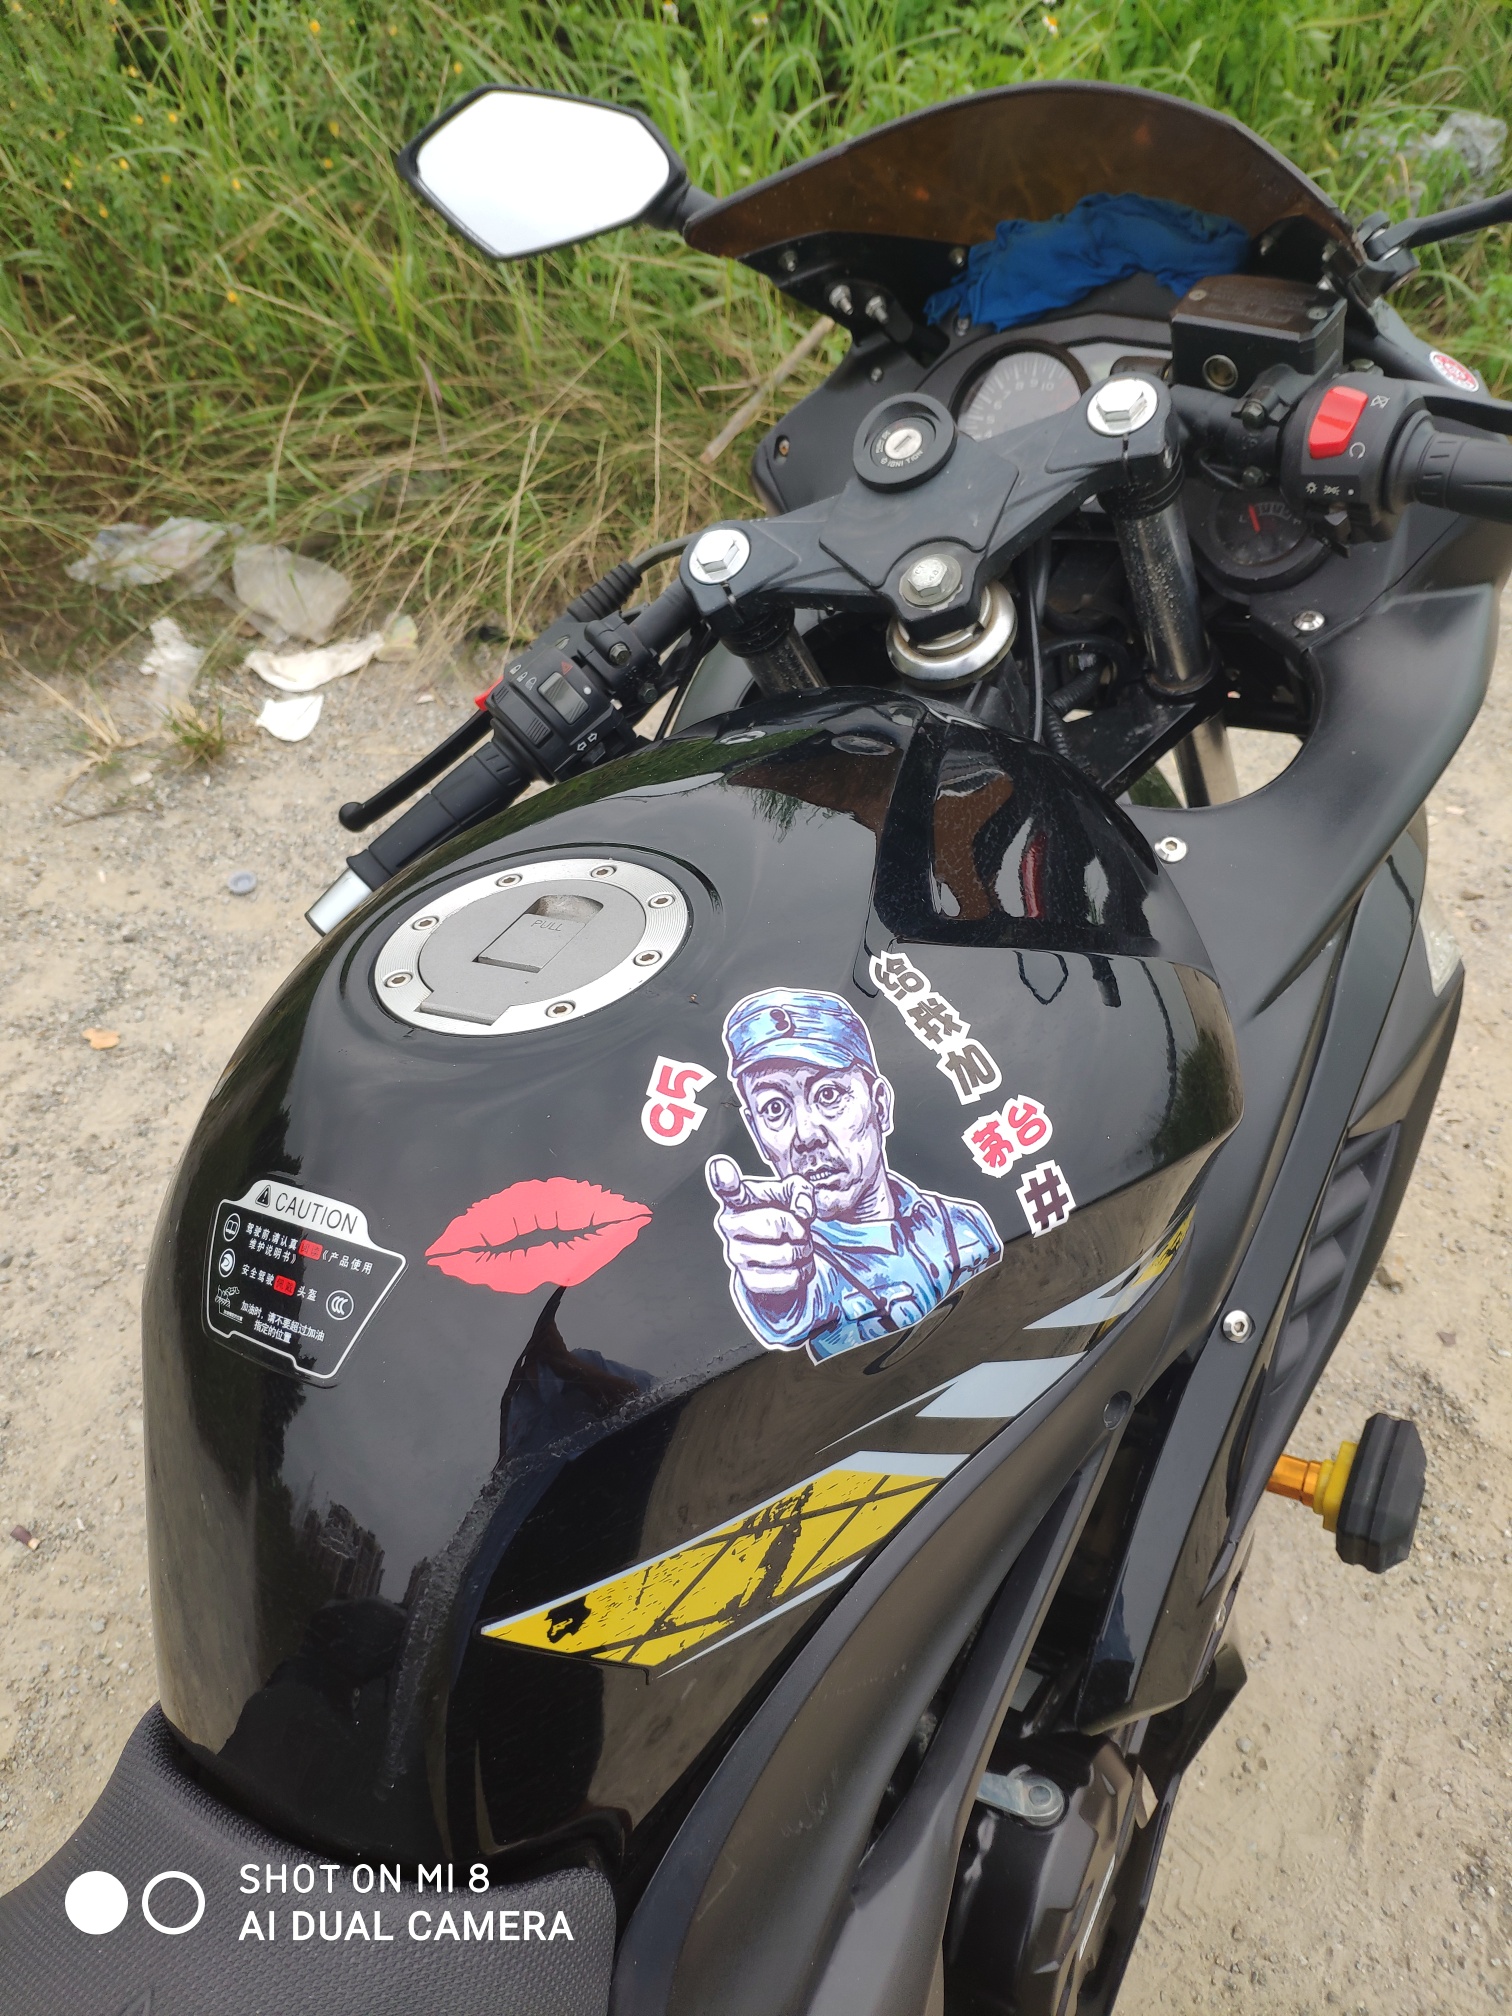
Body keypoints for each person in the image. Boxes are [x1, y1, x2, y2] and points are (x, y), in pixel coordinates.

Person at [707, 987, 1001, 1361]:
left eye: (828, 1095)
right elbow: (790, 1304)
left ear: (880, 1104)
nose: (805, 1135)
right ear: (757, 1134)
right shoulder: (801, 1261)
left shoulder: (961, 1222)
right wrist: (774, 1292)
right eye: (775, 1108)